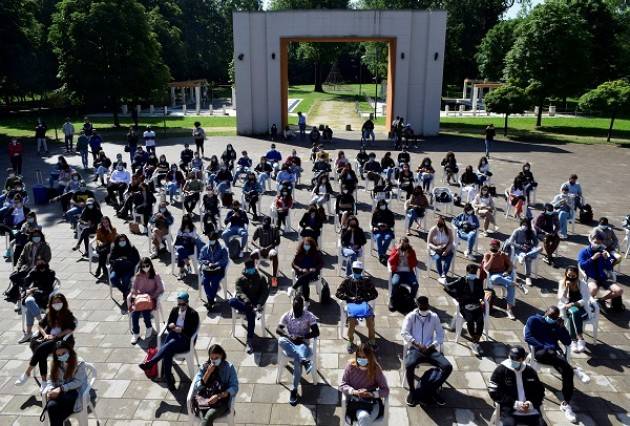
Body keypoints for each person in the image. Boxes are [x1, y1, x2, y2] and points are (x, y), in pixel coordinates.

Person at [525, 306, 589, 423]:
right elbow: (528, 337)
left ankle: (566, 404)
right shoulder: (533, 320)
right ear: (545, 312)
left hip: (555, 355)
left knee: (567, 373)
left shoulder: (556, 324)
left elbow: (568, 341)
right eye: (550, 316)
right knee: (557, 357)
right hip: (540, 352)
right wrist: (543, 346)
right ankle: (574, 368)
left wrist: (561, 328)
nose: (552, 319)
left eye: (555, 318)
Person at [139, 292, 199, 389]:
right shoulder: (175, 310)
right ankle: (169, 382)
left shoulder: (193, 314)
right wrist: (171, 326)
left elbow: (192, 331)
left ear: (187, 303)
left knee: (168, 346)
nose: (180, 306)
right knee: (168, 352)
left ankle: (151, 363)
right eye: (179, 304)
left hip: (185, 341)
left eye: (183, 304)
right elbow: (168, 326)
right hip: (173, 336)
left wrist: (182, 330)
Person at [15, 293, 77, 385]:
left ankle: (28, 372)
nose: (57, 304)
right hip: (48, 340)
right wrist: (45, 335)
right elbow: (40, 325)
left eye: (59, 302)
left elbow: (71, 328)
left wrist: (57, 336)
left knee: (40, 350)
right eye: (54, 302)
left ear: (63, 302)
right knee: (41, 353)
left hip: (61, 341)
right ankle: (44, 381)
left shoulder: (67, 314)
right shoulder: (50, 314)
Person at [401, 296, 451, 406]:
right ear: (417, 305)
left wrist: (432, 346)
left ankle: (432, 389)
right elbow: (404, 332)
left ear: (428, 305)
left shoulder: (434, 317)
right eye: (421, 305)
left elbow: (440, 335)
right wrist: (416, 343)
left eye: (425, 305)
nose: (424, 307)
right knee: (409, 365)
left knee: (447, 367)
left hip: (430, 350)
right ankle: (412, 391)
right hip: (416, 349)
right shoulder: (411, 317)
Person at [277, 295, 320, 405]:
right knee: (281, 340)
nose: (297, 314)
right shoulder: (287, 315)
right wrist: (288, 336)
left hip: (303, 344)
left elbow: (316, 332)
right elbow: (278, 329)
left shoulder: (309, 316)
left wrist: (302, 337)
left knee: (297, 361)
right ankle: (304, 360)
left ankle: (294, 389)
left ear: (302, 307)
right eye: (295, 311)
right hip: (290, 343)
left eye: (299, 311)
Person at [488, 345, 546, 426]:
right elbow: (493, 390)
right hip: (510, 409)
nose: (513, 360)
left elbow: (540, 391)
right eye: (511, 358)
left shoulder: (530, 371)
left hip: (530, 409)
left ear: (523, 359)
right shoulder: (501, 370)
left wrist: (530, 403)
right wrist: (514, 403)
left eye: (517, 359)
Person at [339, 343, 389, 426]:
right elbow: (343, 385)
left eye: (364, 357)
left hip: (372, 403)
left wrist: (371, 394)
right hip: (356, 402)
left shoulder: (375, 368)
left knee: (364, 419)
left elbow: (385, 390)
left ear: (369, 357)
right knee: (364, 417)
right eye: (359, 357)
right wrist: (355, 392)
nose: (361, 359)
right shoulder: (351, 366)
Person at [41, 341, 88, 426]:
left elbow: (78, 382)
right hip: (59, 393)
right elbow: (50, 380)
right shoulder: (53, 363)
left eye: (63, 353)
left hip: (73, 391)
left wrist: (61, 388)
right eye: (58, 355)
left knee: (56, 410)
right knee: (51, 406)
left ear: (69, 350)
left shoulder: (79, 363)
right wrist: (51, 390)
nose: (61, 356)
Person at [228, 259, 270, 354]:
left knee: (250, 316)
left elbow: (265, 292)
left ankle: (249, 340)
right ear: (245, 268)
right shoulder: (240, 279)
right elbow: (239, 292)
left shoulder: (261, 278)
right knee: (231, 301)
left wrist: (259, 303)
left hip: (255, 304)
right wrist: (246, 301)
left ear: (254, 268)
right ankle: (253, 311)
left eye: (252, 268)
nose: (250, 270)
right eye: (249, 269)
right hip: (245, 303)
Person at [336, 261, 378, 353]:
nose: (357, 272)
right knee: (351, 322)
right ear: (352, 270)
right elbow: (338, 293)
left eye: (359, 270)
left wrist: (364, 298)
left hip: (363, 304)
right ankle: (350, 340)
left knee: (370, 320)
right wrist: (349, 298)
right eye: (355, 270)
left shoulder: (366, 281)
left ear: (361, 270)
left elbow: (375, 294)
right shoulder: (347, 280)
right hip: (351, 304)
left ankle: (372, 340)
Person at [191, 344, 239, 425]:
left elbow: (234, 387)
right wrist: (208, 373)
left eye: (216, 358)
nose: (214, 361)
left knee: (208, 418)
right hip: (205, 399)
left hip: (221, 401)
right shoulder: (205, 367)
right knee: (205, 420)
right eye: (212, 358)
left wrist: (218, 396)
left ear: (222, 356)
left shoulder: (229, 367)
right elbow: (197, 386)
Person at [444, 264, 485, 356]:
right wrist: (457, 297)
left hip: (476, 304)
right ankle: (475, 342)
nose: (473, 274)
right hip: (464, 305)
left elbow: (482, 294)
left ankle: (475, 341)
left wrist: (481, 300)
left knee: (480, 320)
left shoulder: (478, 281)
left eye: (474, 272)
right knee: (470, 320)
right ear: (467, 272)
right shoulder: (462, 280)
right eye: (472, 272)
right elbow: (447, 287)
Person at [578, 235, 624, 313]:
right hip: (591, 277)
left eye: (599, 243)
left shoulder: (603, 251)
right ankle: (586, 305)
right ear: (591, 241)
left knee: (619, 291)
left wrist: (607, 259)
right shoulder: (584, 251)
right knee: (593, 289)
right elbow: (582, 266)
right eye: (595, 242)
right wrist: (592, 259)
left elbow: (609, 267)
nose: (597, 244)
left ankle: (600, 300)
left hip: (603, 277)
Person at [17, 258, 56, 342]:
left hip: (44, 299)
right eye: (38, 262)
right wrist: (27, 289)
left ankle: (29, 333)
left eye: (42, 261)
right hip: (34, 297)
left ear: (45, 262)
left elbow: (48, 289)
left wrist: (34, 289)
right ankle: (42, 323)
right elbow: (25, 283)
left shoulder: (51, 273)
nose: (40, 263)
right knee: (29, 301)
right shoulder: (34, 272)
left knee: (29, 309)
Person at [127, 258, 164, 344]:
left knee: (145, 311)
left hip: (151, 299)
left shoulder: (155, 275)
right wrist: (137, 296)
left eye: (147, 265)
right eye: (143, 266)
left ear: (150, 265)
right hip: (140, 299)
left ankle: (149, 327)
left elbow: (160, 288)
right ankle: (136, 333)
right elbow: (134, 288)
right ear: (141, 267)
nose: (145, 268)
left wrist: (152, 296)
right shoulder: (138, 275)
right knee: (134, 315)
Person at [557, 266, 592, 354]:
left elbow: (586, 299)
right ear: (566, 274)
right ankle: (580, 338)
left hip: (581, 308)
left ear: (577, 275)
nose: (571, 277)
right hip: (567, 307)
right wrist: (566, 288)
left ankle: (574, 340)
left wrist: (574, 304)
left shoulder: (582, 284)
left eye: (573, 276)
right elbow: (561, 299)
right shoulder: (562, 283)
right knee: (574, 312)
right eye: (569, 275)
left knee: (574, 313)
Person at [482, 239, 516, 320]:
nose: (493, 247)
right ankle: (515, 283)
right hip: (493, 275)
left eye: (495, 245)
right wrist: (492, 257)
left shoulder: (502, 254)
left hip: (503, 275)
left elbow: (511, 265)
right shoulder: (487, 254)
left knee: (511, 286)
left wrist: (507, 272)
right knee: (496, 278)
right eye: (492, 245)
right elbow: (486, 267)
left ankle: (509, 309)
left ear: (498, 247)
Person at [198, 232, 229, 309]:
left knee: (215, 281)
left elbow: (225, 259)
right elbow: (200, 259)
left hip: (218, 270)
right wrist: (207, 262)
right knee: (205, 281)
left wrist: (216, 264)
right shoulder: (205, 248)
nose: (211, 241)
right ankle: (211, 300)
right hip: (207, 270)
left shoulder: (222, 248)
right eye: (210, 239)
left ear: (216, 239)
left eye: (213, 240)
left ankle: (210, 301)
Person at [506, 219, 540, 287]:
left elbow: (536, 242)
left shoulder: (531, 232)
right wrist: (521, 246)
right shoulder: (517, 231)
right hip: (519, 250)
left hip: (529, 250)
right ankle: (528, 277)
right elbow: (510, 241)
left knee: (540, 249)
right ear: (521, 224)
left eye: (526, 225)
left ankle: (525, 256)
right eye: (523, 224)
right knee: (528, 259)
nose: (524, 226)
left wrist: (530, 246)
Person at [289, 237, 324, 301]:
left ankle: (294, 288)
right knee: (305, 281)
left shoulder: (316, 253)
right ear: (302, 245)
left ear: (311, 245)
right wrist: (300, 269)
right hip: (301, 272)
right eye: (305, 244)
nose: (306, 246)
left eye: (308, 245)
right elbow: (293, 264)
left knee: (306, 278)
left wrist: (315, 268)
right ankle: (306, 301)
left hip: (312, 274)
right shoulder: (299, 252)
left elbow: (321, 263)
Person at [108, 234, 140, 302]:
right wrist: (118, 259)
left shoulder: (131, 248)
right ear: (117, 241)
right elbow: (110, 260)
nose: (122, 242)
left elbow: (137, 259)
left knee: (125, 279)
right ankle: (125, 292)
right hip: (117, 268)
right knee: (112, 278)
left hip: (128, 268)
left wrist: (127, 258)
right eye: (120, 241)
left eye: (123, 240)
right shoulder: (115, 248)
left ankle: (125, 295)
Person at [387, 237, 419, 303]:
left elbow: (415, 263)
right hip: (397, 272)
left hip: (408, 272)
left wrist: (408, 257)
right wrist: (397, 254)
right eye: (402, 244)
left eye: (405, 244)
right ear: (399, 244)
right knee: (395, 283)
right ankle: (393, 298)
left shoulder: (411, 251)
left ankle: (411, 299)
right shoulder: (395, 250)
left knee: (415, 284)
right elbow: (390, 261)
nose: (404, 246)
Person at [251, 216, 280, 287]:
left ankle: (274, 277)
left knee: (274, 255)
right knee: (252, 255)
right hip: (260, 248)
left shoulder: (274, 229)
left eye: (266, 226)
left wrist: (268, 247)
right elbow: (252, 241)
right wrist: (259, 247)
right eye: (264, 225)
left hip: (270, 249)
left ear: (269, 224)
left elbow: (278, 241)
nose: (264, 228)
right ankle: (253, 275)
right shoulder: (259, 229)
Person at [427, 216, 454, 284]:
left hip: (445, 248)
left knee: (449, 257)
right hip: (434, 249)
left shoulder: (449, 230)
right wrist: (436, 248)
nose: (440, 228)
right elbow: (429, 243)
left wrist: (446, 250)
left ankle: (443, 275)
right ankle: (441, 276)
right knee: (437, 258)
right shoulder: (433, 230)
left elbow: (451, 242)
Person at [174, 214, 201, 279]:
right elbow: (178, 236)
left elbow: (193, 237)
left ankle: (182, 272)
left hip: (189, 246)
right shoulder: (181, 228)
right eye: (184, 219)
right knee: (180, 249)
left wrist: (186, 237)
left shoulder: (193, 228)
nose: (185, 221)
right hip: (180, 245)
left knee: (180, 253)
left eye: (187, 219)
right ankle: (188, 265)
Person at [371, 199, 395, 264]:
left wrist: (386, 225)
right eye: (381, 205)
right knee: (378, 237)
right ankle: (382, 255)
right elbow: (373, 222)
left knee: (388, 237)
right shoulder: (376, 213)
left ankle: (381, 254)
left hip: (387, 230)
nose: (382, 206)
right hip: (378, 230)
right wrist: (378, 225)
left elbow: (392, 223)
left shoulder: (390, 213)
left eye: (383, 205)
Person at [94, 217, 117, 281]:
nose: (105, 224)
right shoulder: (99, 229)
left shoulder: (113, 229)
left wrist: (109, 230)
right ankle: (103, 270)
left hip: (109, 246)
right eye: (103, 222)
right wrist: (100, 242)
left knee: (102, 253)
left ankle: (99, 268)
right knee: (102, 253)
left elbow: (113, 240)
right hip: (101, 246)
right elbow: (97, 239)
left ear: (109, 222)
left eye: (106, 222)